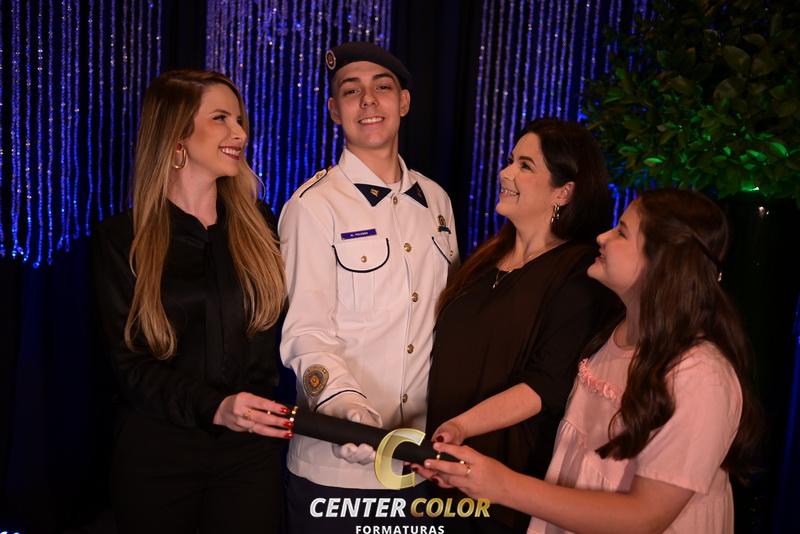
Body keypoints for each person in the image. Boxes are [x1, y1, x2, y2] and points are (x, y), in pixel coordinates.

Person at [423, 189, 761, 533]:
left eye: (621, 232)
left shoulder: (699, 375)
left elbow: (645, 518)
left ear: (661, 262)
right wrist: (465, 449)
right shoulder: (610, 334)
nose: (602, 237)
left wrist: (502, 486)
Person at [92, 70, 291, 534]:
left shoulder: (263, 224)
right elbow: (130, 367)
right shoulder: (122, 240)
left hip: (250, 454)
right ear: (177, 134)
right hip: (158, 455)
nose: (239, 133)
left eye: (239, 120)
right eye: (220, 118)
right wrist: (215, 406)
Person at [278, 41, 458, 532]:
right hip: (337, 469)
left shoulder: (437, 201)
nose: (369, 101)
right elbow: (305, 334)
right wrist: (345, 408)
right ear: (335, 110)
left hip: (419, 463)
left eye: (382, 88)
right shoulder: (312, 207)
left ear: (404, 102)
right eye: (351, 91)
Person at [418, 118, 619, 532]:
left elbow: (546, 384)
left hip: (504, 482)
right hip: (442, 469)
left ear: (563, 192)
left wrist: (461, 427)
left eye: (525, 165)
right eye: (511, 160)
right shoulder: (484, 260)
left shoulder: (580, 271)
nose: (505, 172)